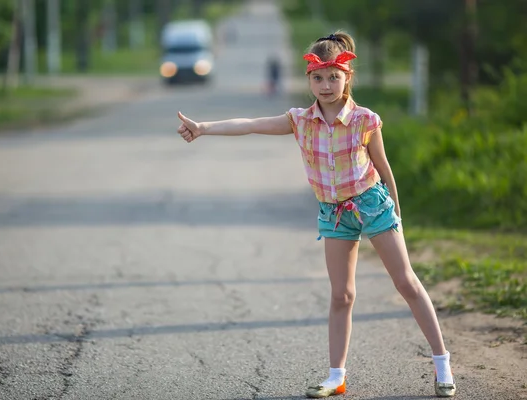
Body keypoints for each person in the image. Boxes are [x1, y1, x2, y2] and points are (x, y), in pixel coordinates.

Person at [176, 31, 456, 398]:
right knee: (342, 295)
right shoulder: (299, 120)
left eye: (333, 78)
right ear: (308, 79)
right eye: (318, 78)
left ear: (347, 78)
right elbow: (251, 124)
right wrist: (204, 128)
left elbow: (384, 168)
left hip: (372, 203)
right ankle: (336, 376)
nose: (326, 86)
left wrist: (397, 214)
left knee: (406, 282)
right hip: (334, 213)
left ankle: (442, 365)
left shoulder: (365, 120)